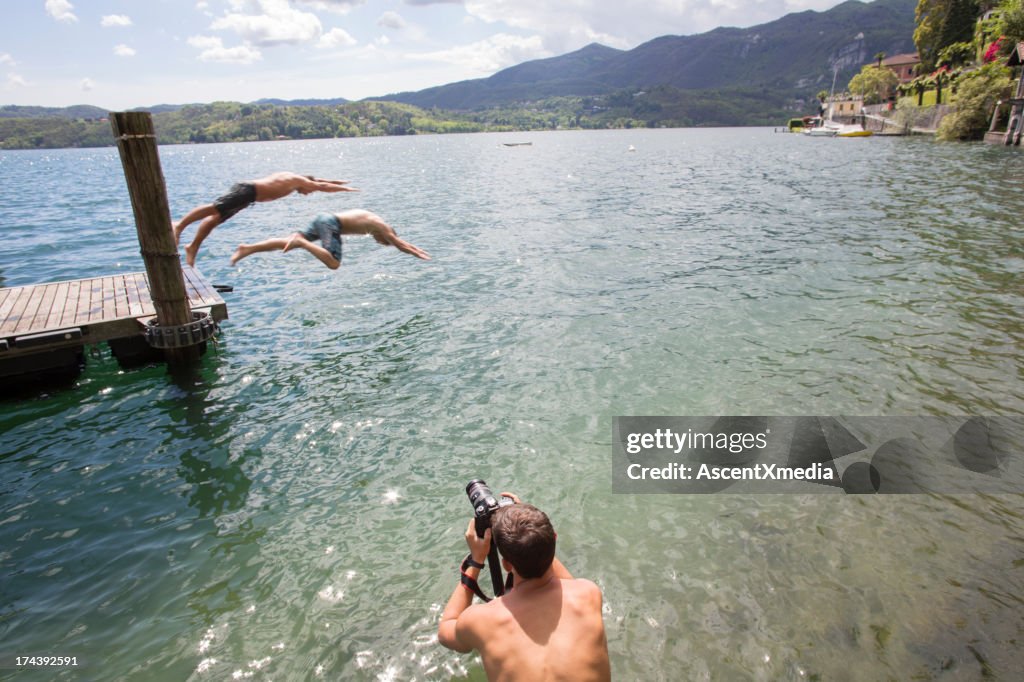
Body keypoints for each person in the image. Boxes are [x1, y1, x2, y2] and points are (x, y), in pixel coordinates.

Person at [438, 493, 611, 682]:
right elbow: (564, 580)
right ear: (554, 538)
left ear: (507, 565)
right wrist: (530, 529)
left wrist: (477, 560)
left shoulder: (481, 620)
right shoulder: (588, 594)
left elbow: (445, 631)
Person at [173, 172, 357, 266]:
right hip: (248, 191)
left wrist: (340, 182)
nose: (308, 193)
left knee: (216, 218)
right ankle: (180, 226)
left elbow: (320, 181)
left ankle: (193, 246)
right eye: (309, 190)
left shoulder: (296, 179)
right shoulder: (299, 181)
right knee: (214, 209)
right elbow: (321, 185)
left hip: (249, 196)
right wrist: (346, 190)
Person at [229, 209, 430, 269]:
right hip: (331, 224)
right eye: (383, 241)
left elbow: (400, 242)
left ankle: (247, 248)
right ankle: (302, 242)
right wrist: (419, 254)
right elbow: (400, 244)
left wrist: (415, 249)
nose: (380, 242)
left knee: (286, 243)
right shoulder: (383, 228)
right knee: (333, 263)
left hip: (323, 219)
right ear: (388, 235)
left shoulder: (377, 222)